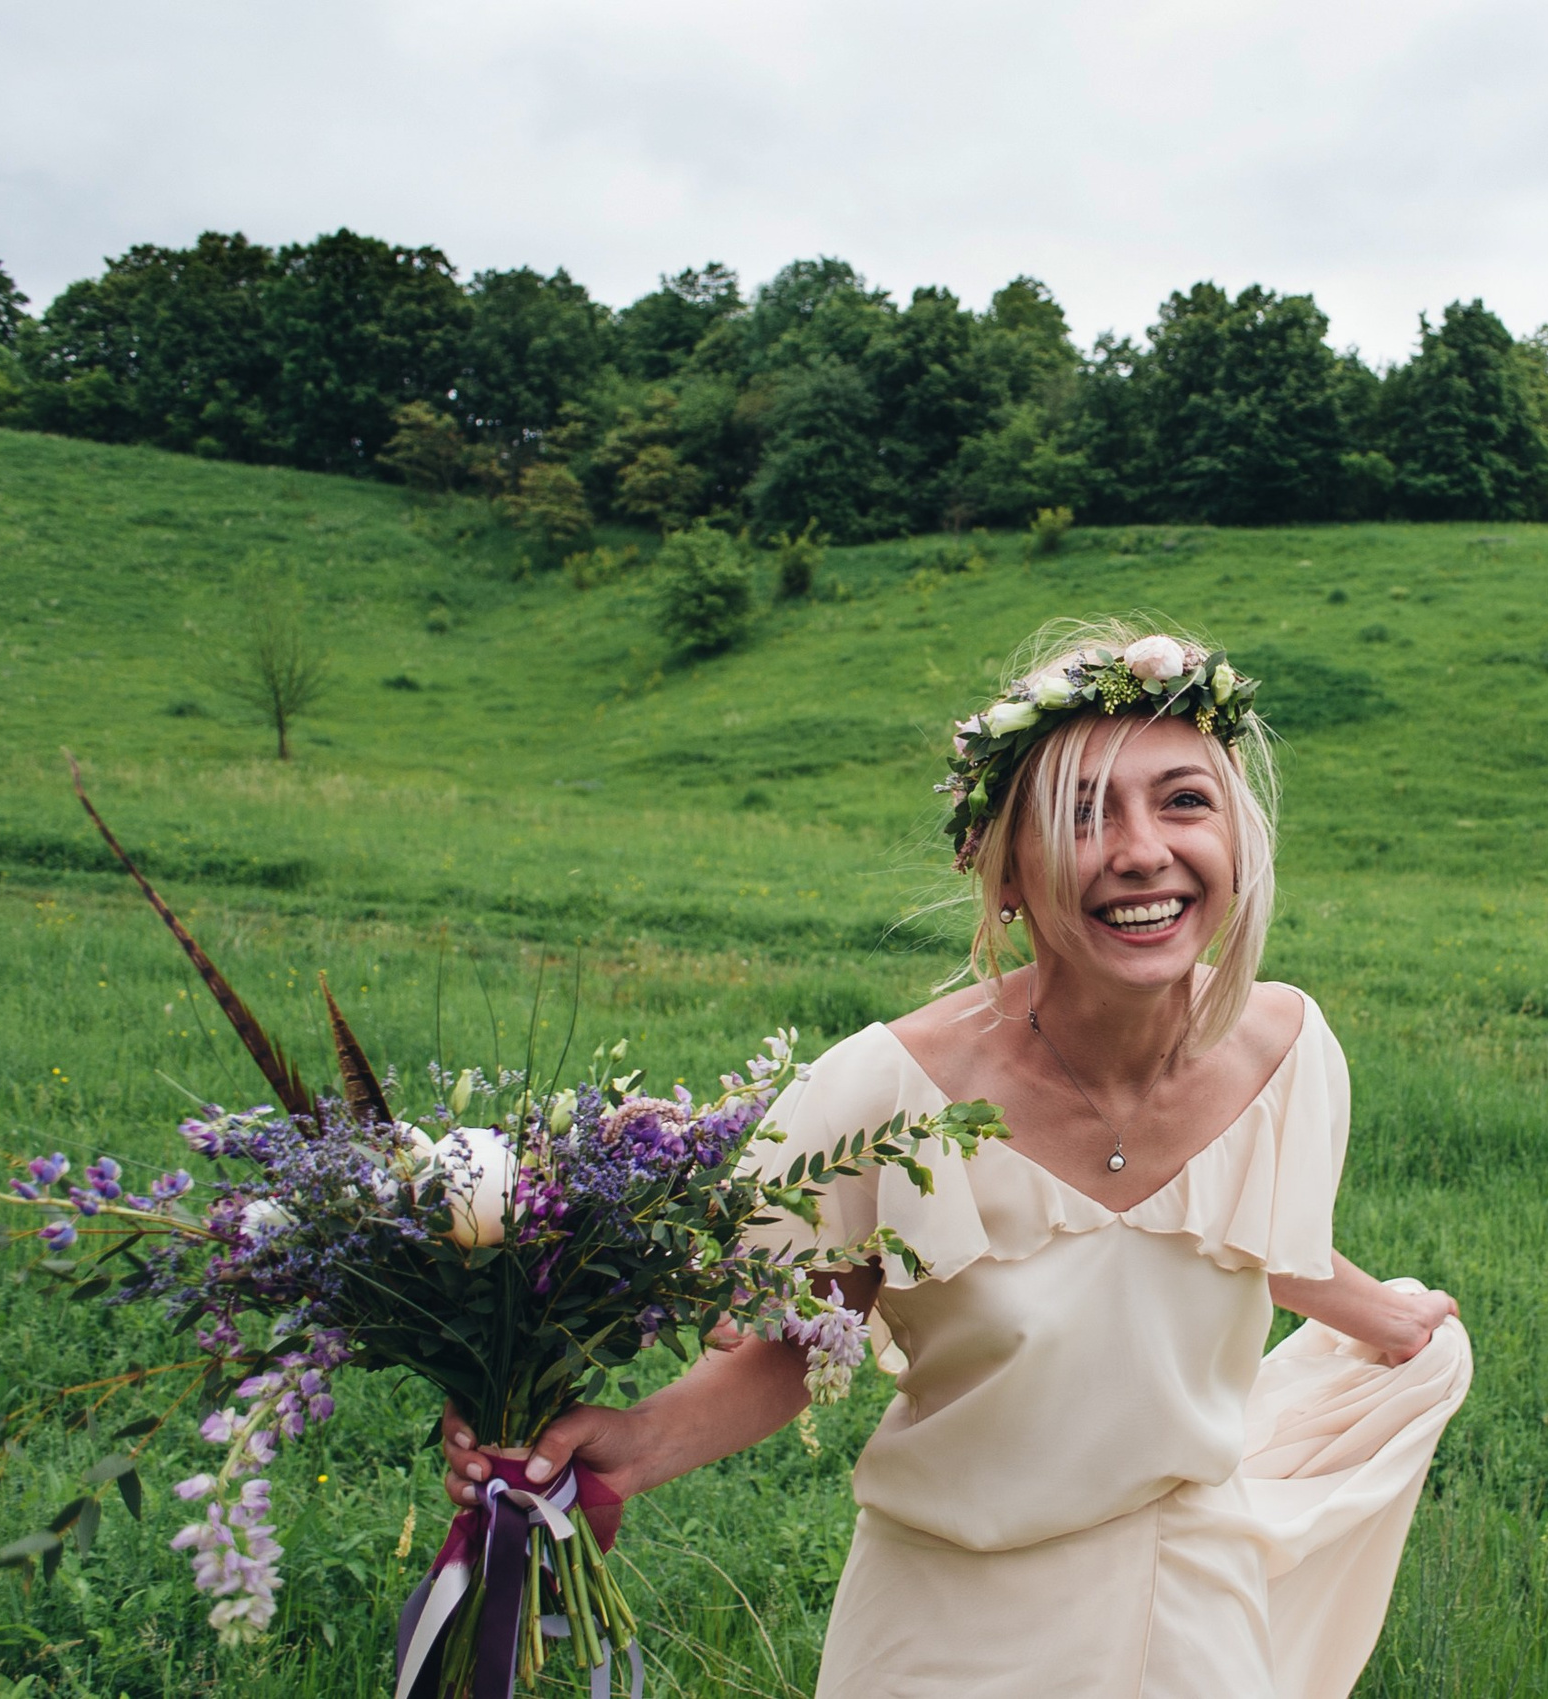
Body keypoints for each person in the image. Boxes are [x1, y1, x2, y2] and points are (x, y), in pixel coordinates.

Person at [440, 619, 1472, 1697]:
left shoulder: (1289, 1052)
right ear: (1005, 868)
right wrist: (629, 1447)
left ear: (1237, 838)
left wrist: (1388, 1319)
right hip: (949, 1626)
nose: (1139, 850)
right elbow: (796, 1347)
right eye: (1080, 813)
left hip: (1188, 1604)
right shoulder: (885, 1093)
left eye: (1182, 800)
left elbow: (1247, 1236)